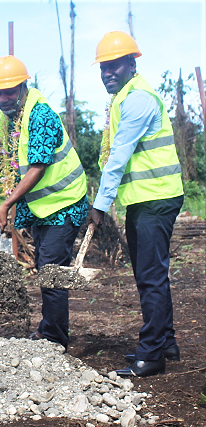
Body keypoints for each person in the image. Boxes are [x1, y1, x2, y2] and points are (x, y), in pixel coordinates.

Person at [89, 31, 184, 377]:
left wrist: (99, 205)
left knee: (150, 276)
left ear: (132, 63)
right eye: (103, 68)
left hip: (155, 199)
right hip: (146, 200)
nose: (107, 73)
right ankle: (166, 342)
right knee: (152, 274)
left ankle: (152, 354)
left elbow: (118, 157)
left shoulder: (138, 100)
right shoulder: (124, 98)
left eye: (114, 66)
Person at [0, 55, 88, 351]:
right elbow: (11, 138)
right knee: (45, 267)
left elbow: (38, 168)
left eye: (8, 91)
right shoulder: (12, 115)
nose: (2, 98)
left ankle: (55, 341)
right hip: (43, 207)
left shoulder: (39, 114)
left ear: (23, 87)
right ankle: (48, 329)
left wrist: (6, 204)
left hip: (64, 202)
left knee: (52, 271)